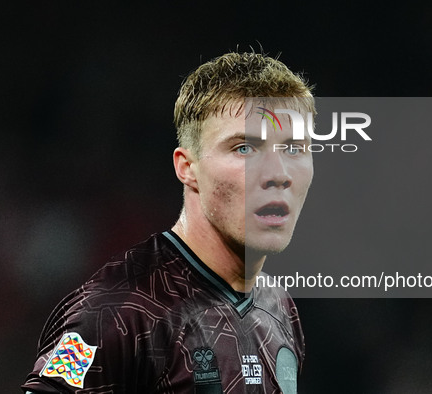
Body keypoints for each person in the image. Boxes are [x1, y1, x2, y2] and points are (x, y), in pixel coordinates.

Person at [21, 52, 315, 393]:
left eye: (295, 149)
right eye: (245, 148)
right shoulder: (115, 311)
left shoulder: (279, 308)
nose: (277, 174)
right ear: (187, 168)